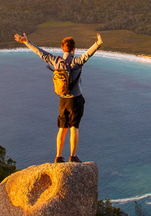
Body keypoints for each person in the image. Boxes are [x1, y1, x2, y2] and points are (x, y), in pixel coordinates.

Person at [13, 32, 103, 163]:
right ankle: (73, 156)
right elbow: (88, 54)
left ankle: (58, 156)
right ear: (73, 49)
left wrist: (26, 42)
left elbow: (40, 52)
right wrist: (98, 43)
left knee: (62, 128)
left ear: (63, 49)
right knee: (74, 128)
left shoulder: (56, 61)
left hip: (62, 100)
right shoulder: (76, 62)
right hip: (75, 100)